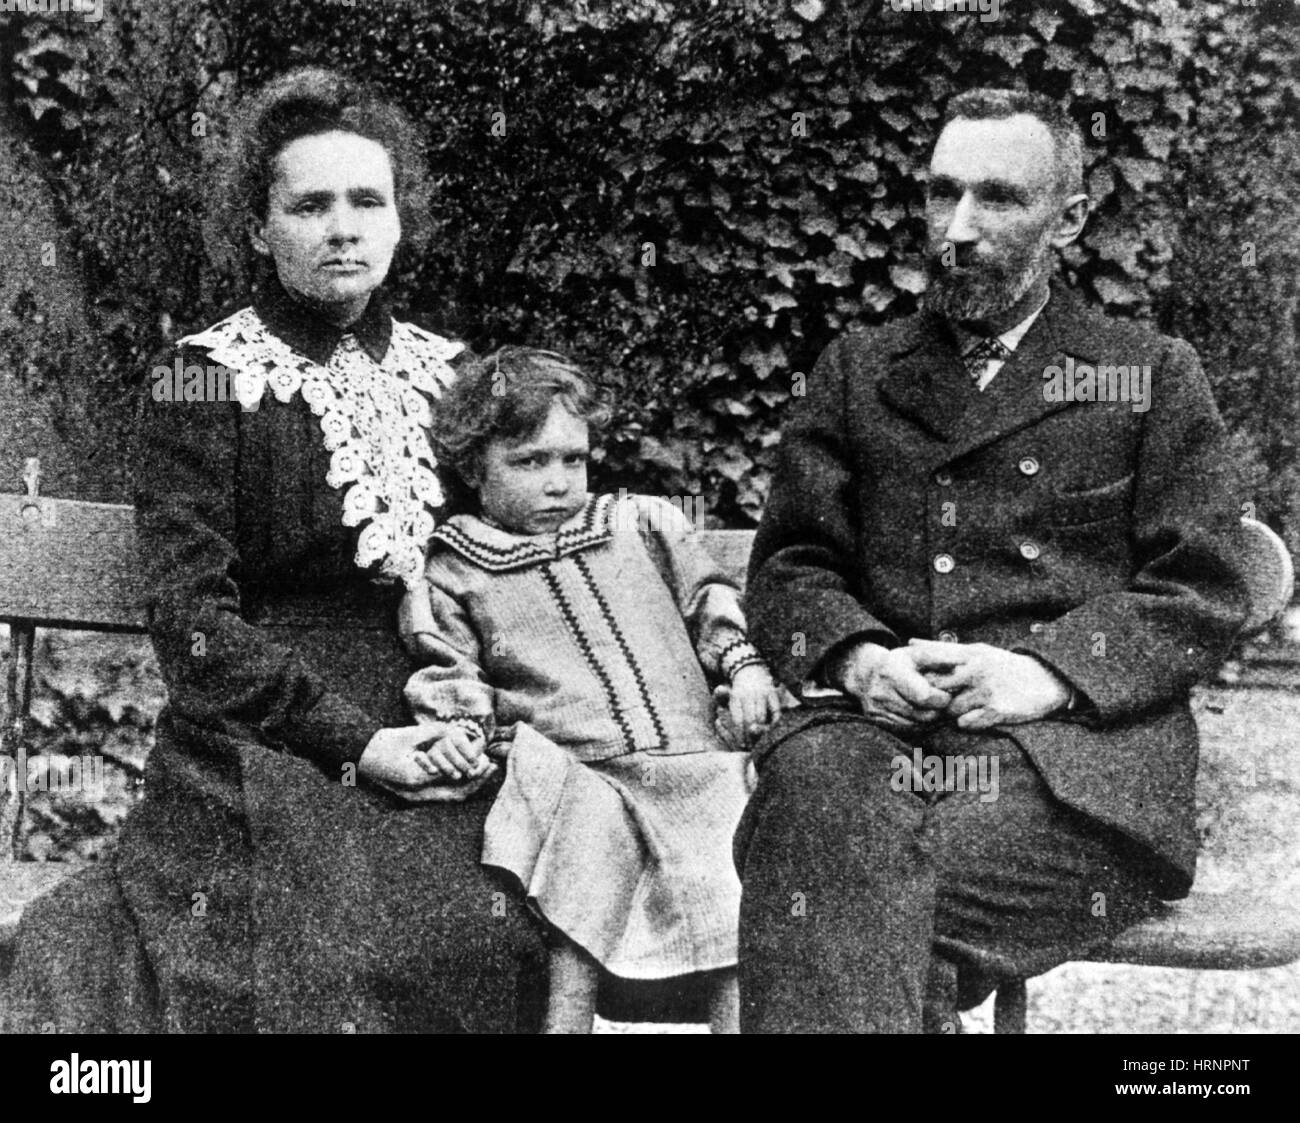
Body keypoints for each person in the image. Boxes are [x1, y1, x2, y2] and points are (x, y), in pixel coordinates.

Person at [2, 68, 547, 1033]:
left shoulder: (455, 376)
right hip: (265, 725)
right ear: (260, 229)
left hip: (445, 709)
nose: (342, 227)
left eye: (365, 201)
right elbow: (194, 619)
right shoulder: (205, 379)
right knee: (339, 949)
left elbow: (513, 561)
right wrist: (362, 744)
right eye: (309, 204)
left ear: (398, 223)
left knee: (495, 922)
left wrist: (478, 689)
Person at [735, 88, 1253, 1033]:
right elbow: (789, 567)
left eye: (1000, 198)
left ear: (1071, 217)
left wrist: (1045, 672)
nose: (958, 230)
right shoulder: (861, 369)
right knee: (825, 811)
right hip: (874, 740)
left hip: (1074, 770)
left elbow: (1206, 584)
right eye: (941, 194)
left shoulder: (1144, 370)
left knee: (844, 892)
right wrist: (859, 659)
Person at [400, 346, 782, 1033]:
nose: (558, 482)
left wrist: (744, 666)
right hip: (573, 769)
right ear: (471, 467)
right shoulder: (456, 568)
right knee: (584, 836)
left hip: (689, 759)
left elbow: (711, 601)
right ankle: (566, 1024)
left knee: (727, 841)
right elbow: (448, 667)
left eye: (572, 459)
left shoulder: (640, 524)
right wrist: (459, 728)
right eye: (529, 461)